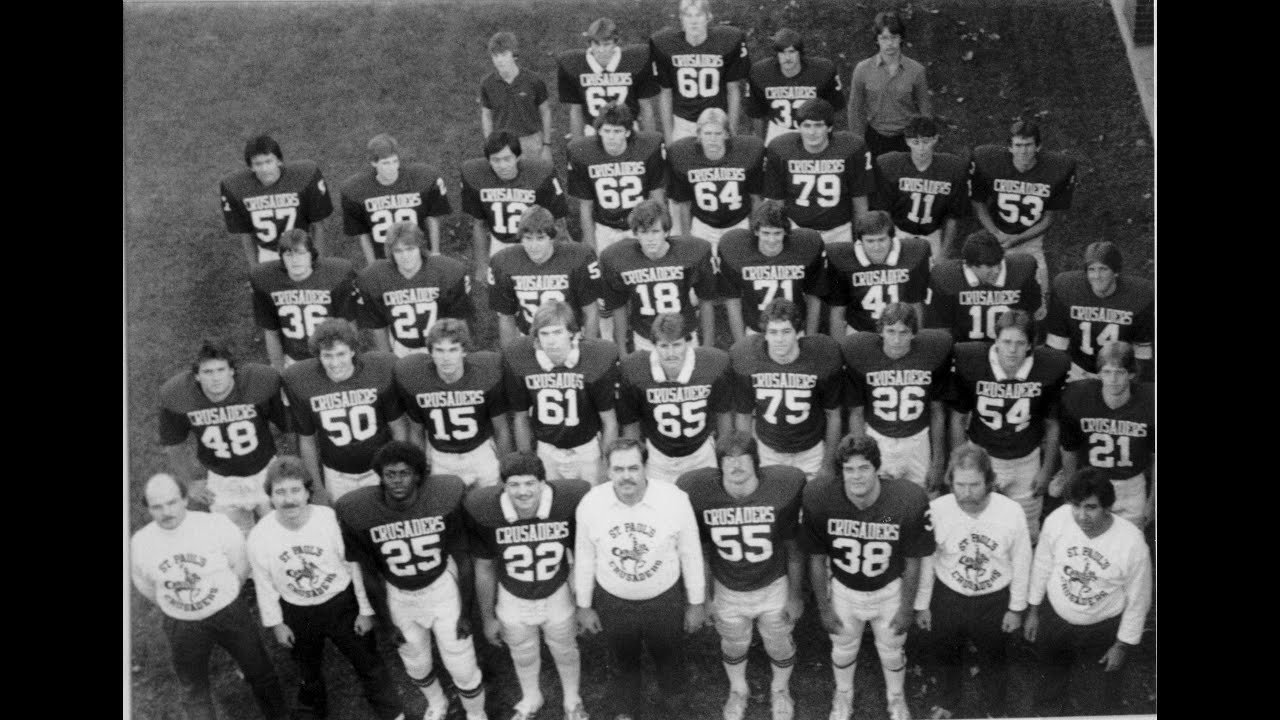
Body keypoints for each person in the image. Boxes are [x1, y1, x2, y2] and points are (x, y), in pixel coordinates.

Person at [334, 441, 488, 720]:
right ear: (380, 476)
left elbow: (463, 559)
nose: (396, 480)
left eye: (404, 473)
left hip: (440, 589)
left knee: (462, 663)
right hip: (399, 594)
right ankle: (437, 703)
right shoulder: (360, 510)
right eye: (390, 474)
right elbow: (369, 572)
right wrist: (386, 622)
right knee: (416, 662)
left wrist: (466, 613)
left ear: (418, 475)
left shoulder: (444, 497)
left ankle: (476, 714)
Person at [246, 457, 405, 720]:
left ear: (308, 492)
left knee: (368, 662)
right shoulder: (260, 535)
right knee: (308, 671)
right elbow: (264, 583)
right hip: (297, 611)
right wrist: (276, 623)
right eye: (280, 492)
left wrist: (365, 611)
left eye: (295, 490)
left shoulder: (329, 521)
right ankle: (313, 712)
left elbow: (354, 566)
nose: (289, 499)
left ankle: (392, 712)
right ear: (270, 497)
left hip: (341, 604)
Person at [131, 473, 289, 720]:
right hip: (181, 624)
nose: (166, 512)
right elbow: (145, 584)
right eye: (157, 507)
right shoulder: (141, 543)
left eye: (172, 503)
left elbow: (241, 561)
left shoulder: (215, 525)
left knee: (261, 673)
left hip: (229, 613)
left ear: (185, 499)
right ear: (148, 509)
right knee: (194, 689)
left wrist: (228, 592)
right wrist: (178, 606)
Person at [675, 431, 806, 720]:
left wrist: (795, 596)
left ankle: (780, 689)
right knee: (733, 642)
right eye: (728, 459)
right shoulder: (701, 495)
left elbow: (793, 550)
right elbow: (703, 553)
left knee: (778, 640)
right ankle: (738, 689)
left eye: (743, 457)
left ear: (756, 462)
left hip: (772, 584)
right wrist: (705, 597)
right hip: (728, 587)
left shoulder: (782, 490)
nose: (736, 465)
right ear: (718, 465)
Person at [574, 439, 707, 720]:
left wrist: (696, 603)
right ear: (607, 470)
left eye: (633, 468)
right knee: (622, 661)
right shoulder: (591, 503)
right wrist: (584, 606)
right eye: (618, 469)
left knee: (670, 657)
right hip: (614, 601)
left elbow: (691, 553)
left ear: (645, 467)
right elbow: (585, 557)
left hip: (664, 599)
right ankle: (625, 709)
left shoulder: (674, 500)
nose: (626, 476)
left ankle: (676, 705)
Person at [802, 435, 934, 720]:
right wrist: (824, 607)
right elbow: (816, 558)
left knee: (892, 649)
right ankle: (843, 693)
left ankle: (896, 697)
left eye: (863, 468)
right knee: (843, 646)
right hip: (845, 590)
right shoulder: (822, 498)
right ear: (841, 472)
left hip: (888, 589)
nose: (856, 476)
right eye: (849, 469)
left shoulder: (902, 502)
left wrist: (907, 607)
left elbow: (913, 560)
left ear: (877, 468)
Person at [465, 452, 592, 720]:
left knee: (565, 648)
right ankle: (531, 696)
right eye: (514, 484)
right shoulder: (486, 510)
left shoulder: (567, 502)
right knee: (522, 651)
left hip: (556, 589)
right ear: (503, 486)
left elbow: (583, 555)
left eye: (530, 483)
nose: (522, 492)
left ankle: (572, 699)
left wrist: (582, 601)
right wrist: (487, 618)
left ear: (543, 483)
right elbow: (484, 567)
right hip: (512, 593)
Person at [912, 444, 1031, 719]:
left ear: (989, 481)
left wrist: (1016, 608)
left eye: (975, 485)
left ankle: (995, 709)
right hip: (949, 596)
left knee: (995, 657)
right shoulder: (936, 510)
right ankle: (947, 701)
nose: (967, 492)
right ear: (950, 481)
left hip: (994, 599)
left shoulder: (1011, 511)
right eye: (960, 485)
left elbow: (1022, 560)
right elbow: (927, 559)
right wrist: (923, 604)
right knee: (945, 653)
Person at [1023, 469, 1152, 716]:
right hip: (1056, 620)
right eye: (1076, 506)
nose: (1082, 516)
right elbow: (1042, 565)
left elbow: (1138, 600)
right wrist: (1034, 610)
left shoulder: (1132, 542)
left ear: (1107, 507)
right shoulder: (1057, 521)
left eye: (1091, 507)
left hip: (1102, 629)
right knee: (1049, 683)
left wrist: (1122, 645)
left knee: (1099, 697)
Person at [948, 310, 1069, 542]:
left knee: (1026, 530)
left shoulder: (1048, 367)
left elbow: (1052, 424)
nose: (1012, 350)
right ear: (996, 340)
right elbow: (959, 417)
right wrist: (960, 463)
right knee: (975, 524)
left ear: (1031, 345)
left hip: (1025, 460)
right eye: (1006, 342)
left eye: (1020, 343)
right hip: (982, 456)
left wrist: (1046, 469)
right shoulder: (972, 362)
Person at [159, 339, 288, 536]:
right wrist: (189, 482)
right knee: (233, 540)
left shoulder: (257, 383)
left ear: (232, 371)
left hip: (265, 471)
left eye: (221, 370)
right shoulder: (179, 395)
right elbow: (173, 444)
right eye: (207, 372)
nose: (215, 378)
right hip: (221, 481)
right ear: (197, 376)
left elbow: (287, 425)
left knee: (280, 533)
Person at [566, 101, 668, 339]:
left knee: (650, 278)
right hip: (606, 227)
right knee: (603, 288)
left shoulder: (648, 147)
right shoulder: (584, 153)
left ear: (628, 131)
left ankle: (653, 331)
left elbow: (657, 196)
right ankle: (608, 340)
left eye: (617, 131)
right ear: (598, 131)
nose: (611, 137)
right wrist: (591, 247)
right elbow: (585, 205)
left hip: (641, 226)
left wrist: (661, 231)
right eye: (607, 131)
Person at [282, 319, 407, 502]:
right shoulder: (303, 383)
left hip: (380, 470)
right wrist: (317, 488)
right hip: (337, 475)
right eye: (327, 356)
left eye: (341, 354)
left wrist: (397, 469)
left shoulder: (378, 372)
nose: (335, 362)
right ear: (318, 356)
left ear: (353, 351)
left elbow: (398, 426)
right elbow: (307, 440)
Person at [503, 299, 621, 485]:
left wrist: (608, 463)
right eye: (544, 333)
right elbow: (521, 418)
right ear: (536, 338)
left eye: (557, 332)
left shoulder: (596, 359)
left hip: (587, 449)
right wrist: (526, 464)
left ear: (573, 333)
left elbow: (609, 420)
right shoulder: (521, 360)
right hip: (547, 449)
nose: (551, 341)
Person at [729, 297, 845, 481]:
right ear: (764, 334)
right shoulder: (748, 357)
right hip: (768, 451)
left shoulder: (821, 357)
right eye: (773, 332)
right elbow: (743, 415)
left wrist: (828, 464)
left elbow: (833, 414)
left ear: (798, 333)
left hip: (811, 452)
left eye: (786, 331)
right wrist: (749, 457)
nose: (779, 339)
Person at [840, 303, 952, 491]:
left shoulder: (931, 355)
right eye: (891, 331)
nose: (897, 340)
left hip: (918, 439)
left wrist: (938, 461)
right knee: (876, 497)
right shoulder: (862, 356)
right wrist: (861, 455)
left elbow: (937, 411)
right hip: (877, 438)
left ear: (914, 333)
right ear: (880, 331)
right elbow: (857, 413)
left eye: (904, 332)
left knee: (924, 497)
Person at [394, 319, 512, 489]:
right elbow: (417, 431)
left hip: (480, 453)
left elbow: (501, 428)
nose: (446, 358)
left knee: (491, 500)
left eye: (453, 350)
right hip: (441, 457)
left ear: (464, 351)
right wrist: (417, 469)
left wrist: (506, 468)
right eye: (439, 350)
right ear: (430, 353)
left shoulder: (485, 377)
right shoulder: (417, 382)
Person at [617, 313, 733, 483]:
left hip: (701, 455)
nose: (671, 353)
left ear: (688, 342)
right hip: (657, 458)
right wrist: (635, 461)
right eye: (664, 346)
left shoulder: (713, 364)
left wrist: (724, 456)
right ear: (653, 345)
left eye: (677, 345)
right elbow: (631, 425)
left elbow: (724, 415)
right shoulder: (635, 369)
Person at [970, 119, 1078, 302]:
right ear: (1010, 147)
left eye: (1028, 145)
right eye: (1018, 145)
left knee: (1040, 298)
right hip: (996, 237)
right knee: (991, 296)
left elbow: (1049, 218)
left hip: (1031, 240)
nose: (1023, 151)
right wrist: (994, 233)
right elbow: (978, 202)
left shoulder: (1056, 169)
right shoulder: (991, 163)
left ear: (1038, 147)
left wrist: (1019, 238)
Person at [1057, 341, 1154, 529]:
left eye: (1120, 372)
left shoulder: (1150, 402)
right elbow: (1069, 450)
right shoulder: (1078, 397)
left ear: (1131, 374)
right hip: (1090, 483)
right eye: (1107, 372)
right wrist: (1071, 489)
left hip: (1130, 487)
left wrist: (1153, 501)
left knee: (1128, 541)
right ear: (1099, 373)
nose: (1113, 379)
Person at [599, 199, 718, 351]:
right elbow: (618, 307)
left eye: (655, 231)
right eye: (644, 232)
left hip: (683, 336)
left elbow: (706, 300)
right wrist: (622, 352)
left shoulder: (692, 253)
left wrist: (707, 346)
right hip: (645, 338)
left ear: (666, 232)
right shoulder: (617, 258)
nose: (650, 239)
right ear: (635, 233)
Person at [488, 204, 602, 347]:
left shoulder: (578, 258)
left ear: (552, 238)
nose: (533, 246)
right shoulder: (504, 262)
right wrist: (509, 355)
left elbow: (591, 311)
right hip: (529, 338)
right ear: (521, 238)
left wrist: (588, 349)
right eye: (528, 238)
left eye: (540, 238)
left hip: (570, 338)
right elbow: (506, 317)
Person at [460, 131, 569, 280]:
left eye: (507, 159)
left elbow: (558, 221)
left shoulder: (539, 175)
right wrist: (482, 265)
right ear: (488, 160)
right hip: (500, 242)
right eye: (495, 160)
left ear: (517, 157)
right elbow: (479, 224)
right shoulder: (476, 175)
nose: (502, 166)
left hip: (535, 240)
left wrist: (558, 257)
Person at [763, 98, 873, 244]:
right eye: (806, 125)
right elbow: (776, 201)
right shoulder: (780, 149)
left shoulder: (851, 149)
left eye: (818, 125)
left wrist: (861, 238)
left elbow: (860, 200)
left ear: (829, 127)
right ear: (798, 127)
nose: (812, 132)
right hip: (796, 230)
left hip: (838, 231)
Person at [355, 221, 473, 357]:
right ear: (390, 253)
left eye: (410, 249)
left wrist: (462, 354)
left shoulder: (447, 271)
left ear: (420, 248)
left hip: (443, 346)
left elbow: (459, 319)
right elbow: (378, 325)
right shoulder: (375, 277)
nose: (405, 256)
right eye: (398, 251)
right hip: (403, 348)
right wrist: (387, 358)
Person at [717, 199, 828, 341]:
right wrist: (740, 344)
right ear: (756, 231)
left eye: (777, 233)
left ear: (786, 232)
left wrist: (809, 339)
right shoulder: (735, 248)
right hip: (757, 332)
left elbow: (814, 296)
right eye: (766, 233)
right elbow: (733, 300)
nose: (771, 240)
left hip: (794, 331)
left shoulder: (806, 246)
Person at [250, 228, 360, 372]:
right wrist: (279, 371)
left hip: (332, 355)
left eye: (301, 253)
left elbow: (349, 325)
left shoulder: (336, 276)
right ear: (281, 258)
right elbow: (271, 331)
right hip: (293, 359)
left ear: (311, 255)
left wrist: (352, 361)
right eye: (289, 254)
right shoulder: (266, 280)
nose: (295, 260)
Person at [1045, 241, 1154, 381]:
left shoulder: (1139, 294)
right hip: (1078, 371)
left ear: (1116, 272)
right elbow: (1056, 345)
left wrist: (1131, 381)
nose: (1097, 276)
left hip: (1118, 374)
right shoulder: (1067, 288)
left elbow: (1142, 353)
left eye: (1103, 269)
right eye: (1091, 269)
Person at [220, 134, 333, 268]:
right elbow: (246, 234)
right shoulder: (236, 187)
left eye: (268, 161)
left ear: (279, 161)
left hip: (301, 247)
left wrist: (319, 263)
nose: (265, 169)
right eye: (258, 164)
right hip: (269, 253)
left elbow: (317, 225)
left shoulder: (303, 178)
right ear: (251, 167)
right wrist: (255, 269)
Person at [339, 133, 452, 262]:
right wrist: (373, 265)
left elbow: (432, 218)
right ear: (373, 163)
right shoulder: (358, 190)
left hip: (418, 251)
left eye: (395, 161)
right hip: (384, 257)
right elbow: (363, 234)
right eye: (386, 163)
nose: (392, 168)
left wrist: (435, 253)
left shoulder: (419, 180)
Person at [649, 0, 749, 144]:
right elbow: (666, 93)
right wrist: (669, 138)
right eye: (688, 15)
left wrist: (731, 131)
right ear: (681, 18)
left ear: (708, 17)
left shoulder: (726, 41)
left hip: (717, 122)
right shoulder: (666, 45)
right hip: (683, 123)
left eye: (699, 15)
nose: (693, 21)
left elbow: (733, 89)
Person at [873, 116, 968, 262]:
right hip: (899, 233)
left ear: (935, 139)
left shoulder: (951, 168)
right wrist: (888, 240)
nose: (921, 148)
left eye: (926, 141)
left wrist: (944, 253)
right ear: (907, 141)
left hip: (932, 235)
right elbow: (883, 210)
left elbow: (953, 216)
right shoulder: (891, 165)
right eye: (915, 142)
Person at [666, 108, 765, 245]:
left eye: (718, 133)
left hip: (739, 224)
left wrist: (756, 232)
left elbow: (755, 198)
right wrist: (687, 240)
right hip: (702, 226)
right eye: (707, 133)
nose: (712, 139)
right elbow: (684, 203)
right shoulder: (683, 155)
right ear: (698, 134)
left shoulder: (747, 153)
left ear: (727, 134)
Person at [825, 210, 931, 337]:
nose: (876, 247)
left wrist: (916, 339)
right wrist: (840, 346)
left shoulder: (913, 255)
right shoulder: (842, 260)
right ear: (860, 241)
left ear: (892, 238)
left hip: (900, 332)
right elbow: (838, 310)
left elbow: (916, 304)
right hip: (860, 332)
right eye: (870, 241)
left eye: (881, 240)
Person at [925, 230, 1041, 342]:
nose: (996, 271)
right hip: (964, 349)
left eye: (998, 263)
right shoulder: (946, 277)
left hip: (1009, 349)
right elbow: (939, 331)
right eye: (989, 266)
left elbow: (1035, 319)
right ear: (969, 265)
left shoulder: (1022, 270)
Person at [847, 11, 933, 159]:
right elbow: (855, 108)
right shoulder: (863, 69)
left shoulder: (916, 70)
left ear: (901, 38)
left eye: (894, 37)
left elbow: (925, 108)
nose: (889, 43)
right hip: (875, 137)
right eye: (884, 38)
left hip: (907, 137)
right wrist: (858, 143)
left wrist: (925, 141)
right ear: (877, 40)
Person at [557, 16, 660, 139]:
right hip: (593, 131)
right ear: (589, 43)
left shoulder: (634, 62)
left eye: (606, 44)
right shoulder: (575, 65)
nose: (601, 50)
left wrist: (651, 142)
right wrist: (577, 145)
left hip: (627, 130)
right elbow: (576, 110)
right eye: (596, 44)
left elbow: (646, 106)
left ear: (616, 43)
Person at [745, 27, 845, 145]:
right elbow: (756, 113)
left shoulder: (822, 70)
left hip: (813, 129)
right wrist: (761, 144)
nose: (787, 58)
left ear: (800, 53)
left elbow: (835, 108)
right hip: (779, 129)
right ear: (776, 54)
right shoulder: (760, 72)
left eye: (792, 52)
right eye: (782, 52)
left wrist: (829, 136)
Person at [480, 32, 553, 162]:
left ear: (514, 54)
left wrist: (546, 145)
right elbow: (486, 115)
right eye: (495, 56)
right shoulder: (487, 84)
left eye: (504, 55)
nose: (499, 60)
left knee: (535, 174)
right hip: (503, 143)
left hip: (531, 141)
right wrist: (490, 144)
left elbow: (545, 111)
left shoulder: (533, 81)